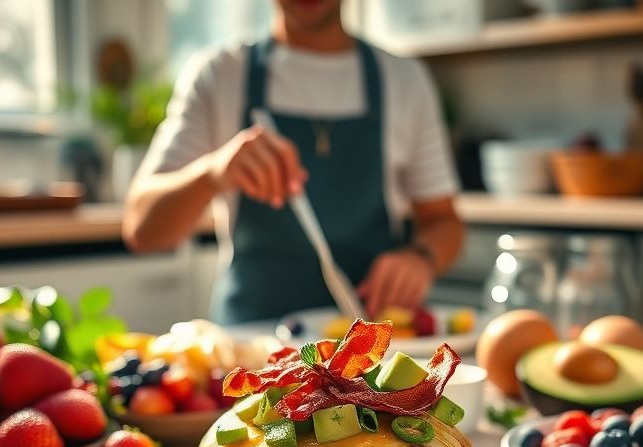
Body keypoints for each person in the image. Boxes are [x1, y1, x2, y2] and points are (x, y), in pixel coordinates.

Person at [123, 0, 463, 325]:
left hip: (370, 353)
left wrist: (421, 258)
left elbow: (444, 222)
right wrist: (213, 172)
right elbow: (142, 229)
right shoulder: (219, 74)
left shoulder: (405, 81)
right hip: (251, 352)